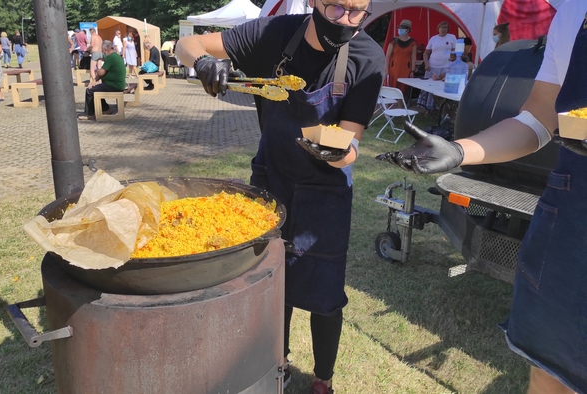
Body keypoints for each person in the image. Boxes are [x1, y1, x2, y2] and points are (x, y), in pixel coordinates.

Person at [376, 1, 587, 393]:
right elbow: (540, 117)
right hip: (574, 219)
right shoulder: (574, 12)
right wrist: (459, 151)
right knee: (548, 367)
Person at [176, 0, 383, 391]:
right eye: (337, 7)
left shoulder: (367, 55)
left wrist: (339, 152)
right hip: (272, 177)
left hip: (327, 187)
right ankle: (279, 363)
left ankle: (323, 379)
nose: (346, 21)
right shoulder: (273, 33)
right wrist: (204, 63)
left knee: (326, 292)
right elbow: (186, 44)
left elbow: (352, 140)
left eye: (358, 12)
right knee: (273, 282)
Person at [78, 40, 126, 121]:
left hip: (114, 85)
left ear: (105, 49)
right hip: (116, 84)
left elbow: (102, 72)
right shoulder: (115, 56)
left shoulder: (111, 57)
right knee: (97, 89)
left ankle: (90, 114)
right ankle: (106, 109)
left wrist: (97, 70)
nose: (102, 51)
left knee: (89, 91)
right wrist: (94, 81)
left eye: (102, 49)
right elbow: (102, 74)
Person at [418, 21, 457, 111]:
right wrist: (426, 64)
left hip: (445, 66)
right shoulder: (433, 39)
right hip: (432, 66)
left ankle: (440, 108)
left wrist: (453, 58)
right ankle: (426, 108)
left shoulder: (452, 37)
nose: (444, 29)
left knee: (441, 88)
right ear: (438, 28)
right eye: (442, 27)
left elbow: (455, 51)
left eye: (446, 27)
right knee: (428, 87)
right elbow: (426, 53)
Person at [384, 19, 417, 95]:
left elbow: (413, 57)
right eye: (400, 28)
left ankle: (401, 106)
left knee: (402, 90)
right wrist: (386, 69)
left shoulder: (413, 42)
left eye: (403, 28)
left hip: (405, 70)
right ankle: (388, 106)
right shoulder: (394, 41)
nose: (400, 30)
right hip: (393, 69)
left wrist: (412, 71)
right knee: (391, 90)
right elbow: (388, 56)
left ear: (408, 30)